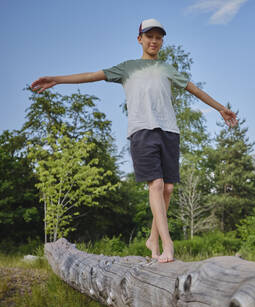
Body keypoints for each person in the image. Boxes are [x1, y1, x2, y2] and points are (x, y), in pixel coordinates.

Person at [31, 18, 238, 263]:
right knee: (157, 185)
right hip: (142, 131)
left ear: (162, 41)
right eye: (149, 36)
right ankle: (167, 243)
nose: (154, 41)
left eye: (158, 37)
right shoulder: (127, 68)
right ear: (140, 39)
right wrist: (57, 79)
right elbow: (91, 75)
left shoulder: (167, 69)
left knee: (168, 189)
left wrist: (220, 109)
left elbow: (196, 90)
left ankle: (152, 238)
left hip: (169, 131)